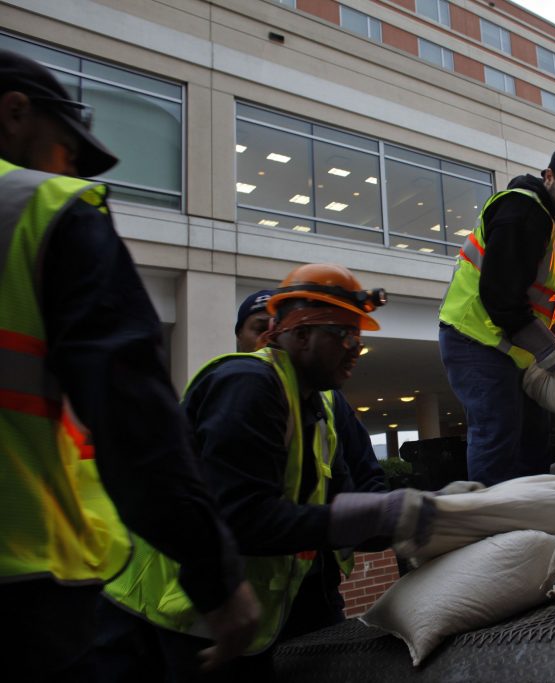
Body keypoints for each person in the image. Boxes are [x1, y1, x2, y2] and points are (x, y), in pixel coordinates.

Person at [0, 50, 260, 680]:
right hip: (24, 586)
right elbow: (130, 415)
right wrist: (217, 578)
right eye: (65, 151)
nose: (65, 169)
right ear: (15, 113)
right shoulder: (40, 208)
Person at [98, 263, 436, 682]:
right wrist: (374, 515)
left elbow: (342, 508)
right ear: (298, 334)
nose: (355, 347)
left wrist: (430, 516)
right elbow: (240, 516)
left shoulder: (316, 406)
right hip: (175, 620)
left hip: (241, 625)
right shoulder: (248, 384)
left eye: (359, 336)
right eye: (343, 334)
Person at [438, 144, 555, 486]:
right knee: (499, 429)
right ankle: (496, 523)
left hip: (512, 344)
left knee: (534, 435)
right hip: (475, 337)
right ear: (549, 176)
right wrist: (549, 350)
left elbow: (549, 299)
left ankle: (531, 515)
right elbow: (500, 297)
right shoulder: (522, 210)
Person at [233, 288, 388, 639]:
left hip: (311, 593)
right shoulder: (240, 386)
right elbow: (242, 515)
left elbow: (363, 486)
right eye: (260, 328)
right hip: (232, 607)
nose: (270, 339)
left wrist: (393, 518)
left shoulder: (329, 405)